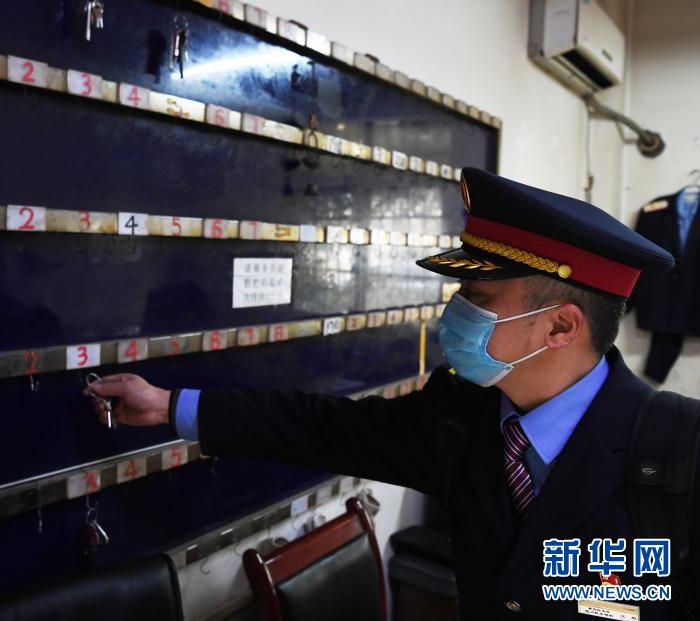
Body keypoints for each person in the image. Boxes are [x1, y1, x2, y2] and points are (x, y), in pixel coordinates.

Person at [84, 168, 697, 620]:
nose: (456, 313)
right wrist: (170, 405)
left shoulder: (681, 452)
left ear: (560, 326)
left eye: (479, 299)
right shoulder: (460, 417)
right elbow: (323, 429)